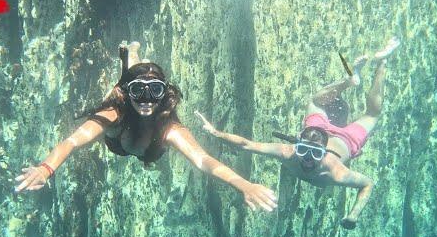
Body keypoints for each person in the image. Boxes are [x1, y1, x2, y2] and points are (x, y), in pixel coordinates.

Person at [14, 42, 278, 212]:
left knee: (137, 73)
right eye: (139, 92)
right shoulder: (114, 113)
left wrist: (244, 184)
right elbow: (71, 142)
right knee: (127, 78)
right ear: (130, 95)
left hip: (147, 147)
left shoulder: (169, 128)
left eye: (155, 91)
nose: (147, 101)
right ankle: (130, 57)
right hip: (119, 141)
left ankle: (132, 57)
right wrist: (46, 168)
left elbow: (203, 160)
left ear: (164, 94)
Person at [196, 37, 400, 229]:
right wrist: (216, 133)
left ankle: (381, 62)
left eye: (316, 154)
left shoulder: (335, 171)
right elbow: (246, 144)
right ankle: (350, 80)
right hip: (321, 132)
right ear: (298, 142)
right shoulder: (288, 152)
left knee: (371, 114)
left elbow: (367, 184)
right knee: (332, 105)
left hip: (345, 141)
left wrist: (354, 214)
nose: (308, 159)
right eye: (303, 150)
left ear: (324, 153)